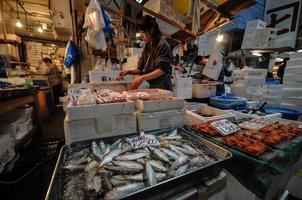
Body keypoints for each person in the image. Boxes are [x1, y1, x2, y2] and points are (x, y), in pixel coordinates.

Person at [119, 15, 173, 91]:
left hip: (164, 87)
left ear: (151, 30)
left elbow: (162, 70)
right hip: (153, 87)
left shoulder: (162, 45)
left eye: (143, 33)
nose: (141, 36)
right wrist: (129, 71)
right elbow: (140, 69)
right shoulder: (148, 46)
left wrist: (142, 78)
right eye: (140, 33)